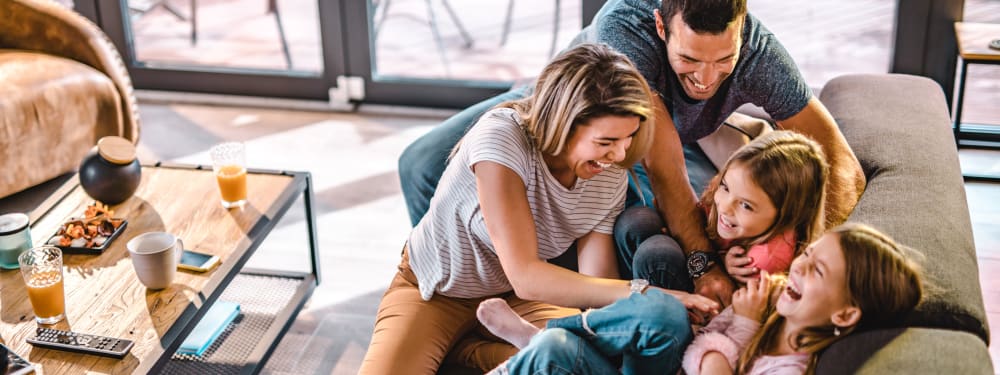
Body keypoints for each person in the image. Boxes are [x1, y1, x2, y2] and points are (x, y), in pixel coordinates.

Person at [398, 0, 866, 307]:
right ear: (662, 27)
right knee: (420, 164)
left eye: (723, 62)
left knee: (707, 212)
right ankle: (463, 292)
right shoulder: (625, 28)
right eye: (688, 61)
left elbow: (843, 164)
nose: (706, 80)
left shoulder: (760, 54)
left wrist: (796, 253)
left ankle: (534, 289)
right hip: (569, 110)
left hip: (661, 141)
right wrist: (704, 270)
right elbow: (662, 167)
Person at [359, 43, 719, 375]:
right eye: (606, 141)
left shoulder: (606, 173)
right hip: (437, 291)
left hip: (516, 302)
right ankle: (471, 349)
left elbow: (596, 287)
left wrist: (638, 315)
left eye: (627, 139)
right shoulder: (501, 138)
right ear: (563, 123)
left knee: (586, 357)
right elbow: (526, 274)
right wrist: (647, 293)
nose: (620, 155)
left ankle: (469, 352)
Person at [477, 223, 923, 375]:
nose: (799, 268)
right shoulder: (772, 311)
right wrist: (718, 316)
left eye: (817, 271)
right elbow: (704, 347)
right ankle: (540, 340)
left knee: (660, 311)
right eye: (806, 255)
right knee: (557, 351)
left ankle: (538, 336)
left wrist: (741, 325)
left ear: (845, 312)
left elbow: (708, 364)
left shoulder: (789, 367)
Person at [633, 130, 828, 292]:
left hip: (707, 306)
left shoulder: (765, 260)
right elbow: (703, 215)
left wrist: (724, 268)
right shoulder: (727, 201)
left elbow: (733, 308)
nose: (725, 206)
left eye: (746, 205)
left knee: (656, 254)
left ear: (788, 215)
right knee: (639, 221)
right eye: (725, 187)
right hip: (703, 262)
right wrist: (679, 228)